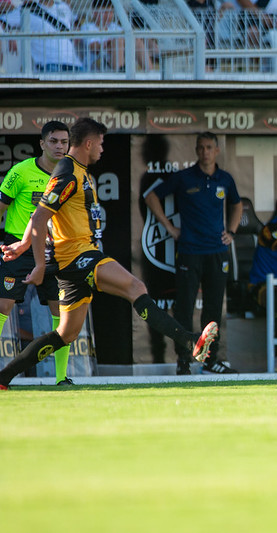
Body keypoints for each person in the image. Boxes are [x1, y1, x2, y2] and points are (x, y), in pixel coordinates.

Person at [0, 117, 218, 390]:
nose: (103, 149)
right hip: (78, 257)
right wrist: (40, 266)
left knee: (66, 334)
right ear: (89, 143)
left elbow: (41, 211)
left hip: (73, 262)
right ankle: (190, 341)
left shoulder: (76, 170)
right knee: (135, 286)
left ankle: (3, 377)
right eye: (101, 143)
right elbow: (43, 215)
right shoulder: (68, 172)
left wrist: (21, 245)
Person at [144, 132, 242, 375]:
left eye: (209, 147)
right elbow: (151, 196)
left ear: (217, 151)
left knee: (213, 308)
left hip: (217, 252)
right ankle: (183, 359)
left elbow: (237, 204)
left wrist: (231, 231)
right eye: (200, 148)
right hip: (189, 251)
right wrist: (169, 228)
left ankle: (210, 361)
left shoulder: (225, 179)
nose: (205, 152)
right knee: (185, 308)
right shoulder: (184, 177)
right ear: (196, 150)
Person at [0, 121, 72, 385]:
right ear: (42, 143)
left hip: (54, 250)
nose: (59, 146)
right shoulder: (20, 172)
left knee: (62, 311)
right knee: (2, 305)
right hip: (18, 247)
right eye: (54, 141)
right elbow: (1, 206)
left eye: (64, 142)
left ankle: (62, 377)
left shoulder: (70, 175)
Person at [3, 0, 83, 72]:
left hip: (74, 64)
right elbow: (3, 21)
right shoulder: (26, 9)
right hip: (48, 65)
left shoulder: (63, 6)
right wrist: (11, 34)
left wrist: (76, 35)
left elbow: (75, 22)